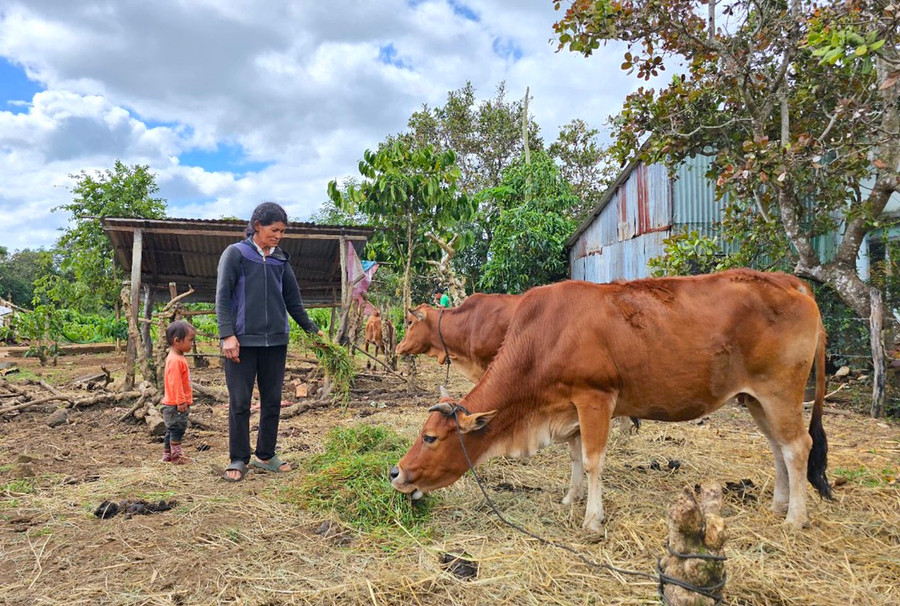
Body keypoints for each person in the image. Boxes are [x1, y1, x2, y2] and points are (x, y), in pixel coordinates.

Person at [216, 202, 324, 482]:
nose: (278, 236)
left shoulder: (280, 260)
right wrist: (227, 335)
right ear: (257, 226)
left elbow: (293, 302)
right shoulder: (236, 254)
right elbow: (223, 297)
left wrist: (313, 331)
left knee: (272, 401)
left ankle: (266, 455)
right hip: (241, 342)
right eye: (274, 230)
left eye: (282, 231)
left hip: (275, 342)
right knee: (240, 401)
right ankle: (239, 458)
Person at [161, 320, 196, 465]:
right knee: (177, 430)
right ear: (177, 341)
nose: (192, 344)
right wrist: (181, 401)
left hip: (172, 402)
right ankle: (176, 456)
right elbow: (175, 383)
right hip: (176, 404)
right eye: (190, 340)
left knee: (171, 430)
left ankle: (167, 455)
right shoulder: (176, 360)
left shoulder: (176, 357)